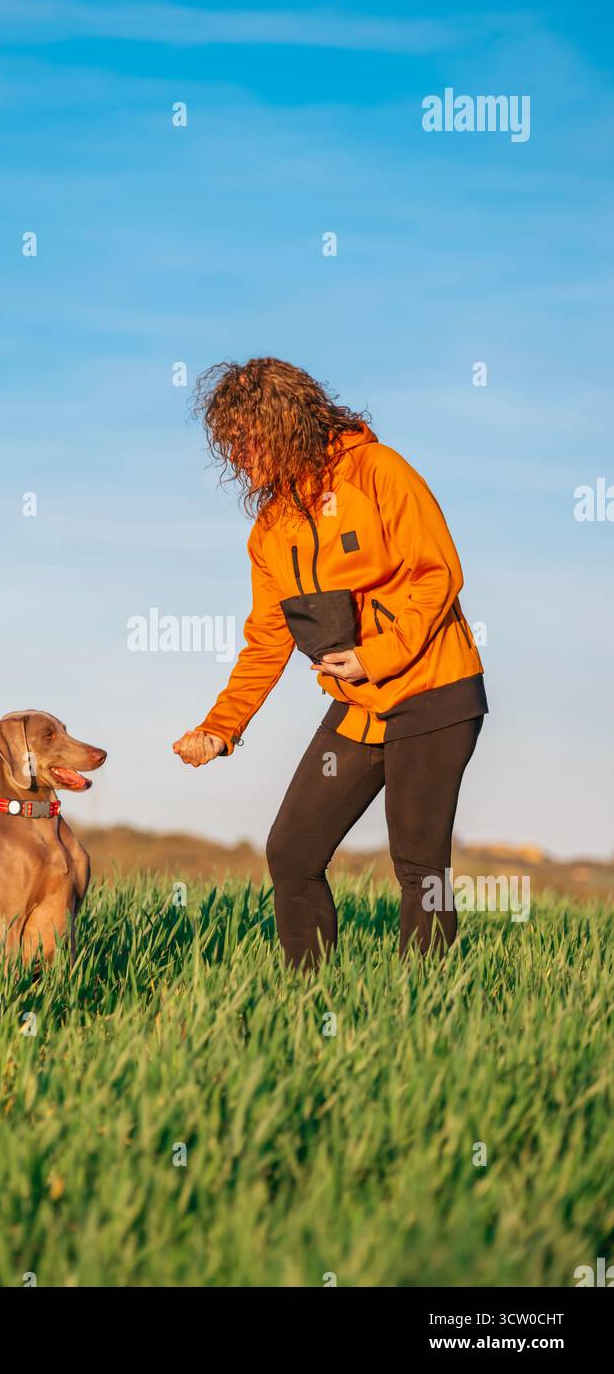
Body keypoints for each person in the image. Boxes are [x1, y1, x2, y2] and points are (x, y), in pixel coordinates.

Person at [173, 357, 487, 969]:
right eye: (230, 443)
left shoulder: (378, 472)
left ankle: (426, 1006)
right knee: (292, 850)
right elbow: (268, 637)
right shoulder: (270, 528)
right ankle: (306, 996)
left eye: (249, 437)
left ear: (288, 421)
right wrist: (221, 727)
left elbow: (437, 573)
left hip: (435, 688)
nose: (239, 455)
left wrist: (376, 656)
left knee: (419, 859)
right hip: (358, 706)